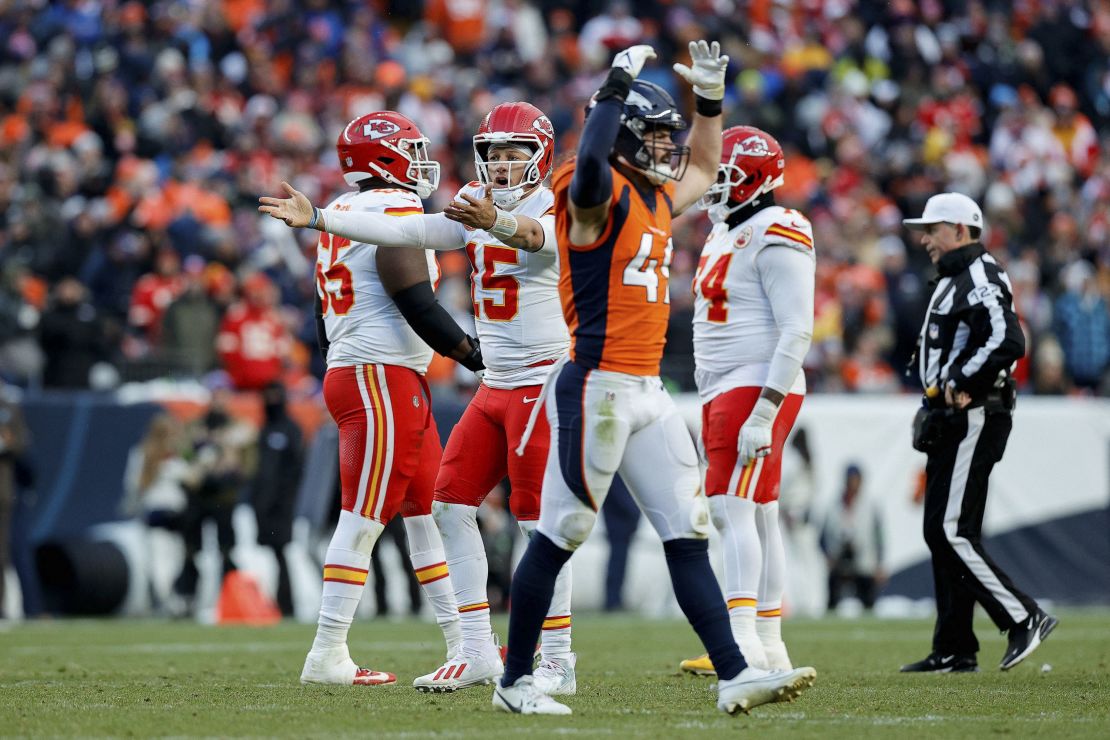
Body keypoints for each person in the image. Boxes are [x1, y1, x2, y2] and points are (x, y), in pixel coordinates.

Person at [493, 42, 815, 715]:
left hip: (645, 391)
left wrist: (710, 104)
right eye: (656, 136)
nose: (670, 149)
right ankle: (515, 680)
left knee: (689, 530)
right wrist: (614, 85)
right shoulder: (591, 194)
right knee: (562, 532)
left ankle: (735, 673)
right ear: (623, 137)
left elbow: (704, 160)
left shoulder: (654, 196)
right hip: (597, 385)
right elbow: (586, 164)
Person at [260, 102, 580, 695]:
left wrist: (492, 224)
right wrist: (319, 221)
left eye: (516, 153)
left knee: (538, 520)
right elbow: (411, 232)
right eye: (494, 154)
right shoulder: (458, 206)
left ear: (540, 155)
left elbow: (542, 241)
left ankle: (557, 655)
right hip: (486, 382)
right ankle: (475, 648)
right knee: (446, 504)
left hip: (542, 378)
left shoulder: (556, 206)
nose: (504, 166)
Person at [260, 111, 483, 686]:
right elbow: (415, 299)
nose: (423, 158)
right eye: (412, 148)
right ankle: (326, 653)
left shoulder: (343, 212)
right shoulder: (389, 210)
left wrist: (343, 358)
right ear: (386, 159)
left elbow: (318, 314)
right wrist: (473, 353)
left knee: (428, 513)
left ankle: (466, 644)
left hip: (372, 374)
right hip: (379, 378)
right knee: (362, 517)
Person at [678, 126, 816, 677]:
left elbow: (797, 330)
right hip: (728, 384)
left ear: (755, 180)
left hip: (753, 383)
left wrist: (764, 408)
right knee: (758, 515)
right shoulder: (729, 230)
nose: (715, 185)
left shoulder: (776, 227)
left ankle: (738, 643)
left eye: (724, 175)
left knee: (732, 511)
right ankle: (766, 642)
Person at [901, 192, 1057, 673]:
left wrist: (959, 382)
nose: (925, 238)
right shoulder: (958, 276)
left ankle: (1022, 618)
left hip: (975, 415)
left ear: (961, 230)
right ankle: (954, 645)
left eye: (934, 228)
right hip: (955, 418)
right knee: (941, 530)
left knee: (951, 531)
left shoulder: (978, 274)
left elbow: (1009, 338)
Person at [250, 382, 304, 617]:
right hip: (263, 504)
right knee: (270, 554)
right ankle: (274, 604)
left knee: (281, 553)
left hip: (282, 505)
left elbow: (296, 469)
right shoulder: (263, 430)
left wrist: (285, 499)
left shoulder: (291, 429)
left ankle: (287, 605)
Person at [821, 464, 885, 612]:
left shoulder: (870, 505)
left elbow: (879, 536)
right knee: (833, 602)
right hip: (839, 561)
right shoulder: (834, 505)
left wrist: (880, 563)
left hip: (864, 562)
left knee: (868, 603)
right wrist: (829, 557)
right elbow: (823, 536)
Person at [0, 380, 28, 619]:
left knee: (1, 550)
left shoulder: (9, 405)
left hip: (2, 490)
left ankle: (5, 606)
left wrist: (6, 442)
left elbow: (21, 443)